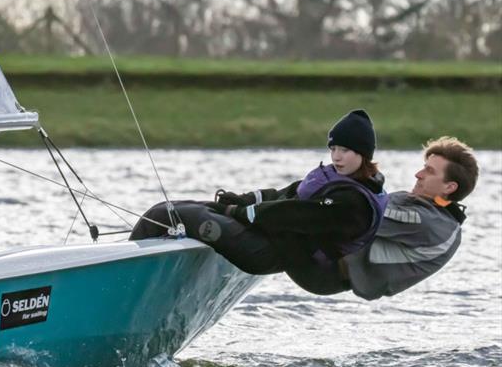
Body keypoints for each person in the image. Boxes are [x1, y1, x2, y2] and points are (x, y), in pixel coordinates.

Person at [131, 109, 389, 292]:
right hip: (276, 243)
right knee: (186, 208)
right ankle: (135, 278)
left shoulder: (353, 204)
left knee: (166, 214)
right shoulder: (335, 178)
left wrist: (235, 212)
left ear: (363, 154)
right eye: (333, 149)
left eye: (344, 150)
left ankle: (123, 285)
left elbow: (291, 213)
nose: (336, 156)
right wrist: (239, 201)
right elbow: (284, 195)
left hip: (282, 259)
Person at [332, 136, 478, 300]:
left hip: (327, 270)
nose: (418, 174)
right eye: (424, 168)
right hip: (327, 250)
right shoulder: (409, 199)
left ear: (449, 187)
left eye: (429, 171)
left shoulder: (433, 224)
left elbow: (363, 214)